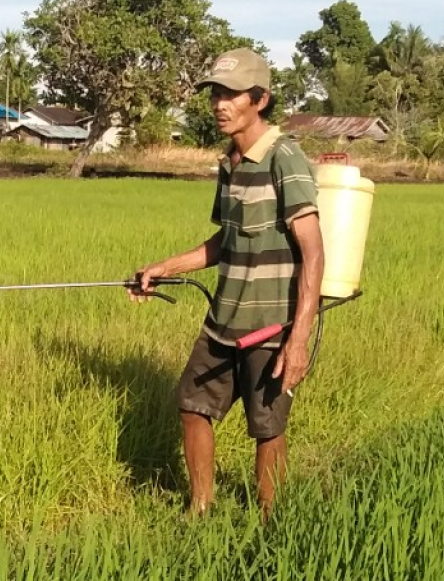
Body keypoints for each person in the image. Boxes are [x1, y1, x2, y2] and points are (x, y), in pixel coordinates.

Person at [133, 47, 324, 518]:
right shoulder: (230, 162)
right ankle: (200, 510)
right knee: (192, 405)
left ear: (259, 99)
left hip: (270, 325)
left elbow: (314, 251)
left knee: (267, 427)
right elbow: (226, 240)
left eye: (231, 94)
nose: (220, 104)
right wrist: (164, 267)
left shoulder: (286, 158)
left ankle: (269, 520)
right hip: (223, 319)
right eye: (216, 94)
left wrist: (298, 339)